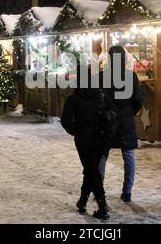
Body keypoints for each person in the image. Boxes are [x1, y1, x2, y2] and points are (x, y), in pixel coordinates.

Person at [61, 66, 109, 220]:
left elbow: (66, 121)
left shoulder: (73, 99)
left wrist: (76, 131)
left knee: (91, 170)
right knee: (91, 169)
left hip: (84, 140)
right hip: (101, 139)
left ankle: (102, 206)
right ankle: (82, 201)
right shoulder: (100, 95)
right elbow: (111, 114)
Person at [98, 45, 143, 203]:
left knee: (102, 156)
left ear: (109, 59)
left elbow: (97, 101)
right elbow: (138, 100)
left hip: (105, 121)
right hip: (125, 121)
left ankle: (99, 190)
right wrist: (130, 112)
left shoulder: (101, 77)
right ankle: (127, 191)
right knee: (128, 155)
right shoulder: (131, 76)